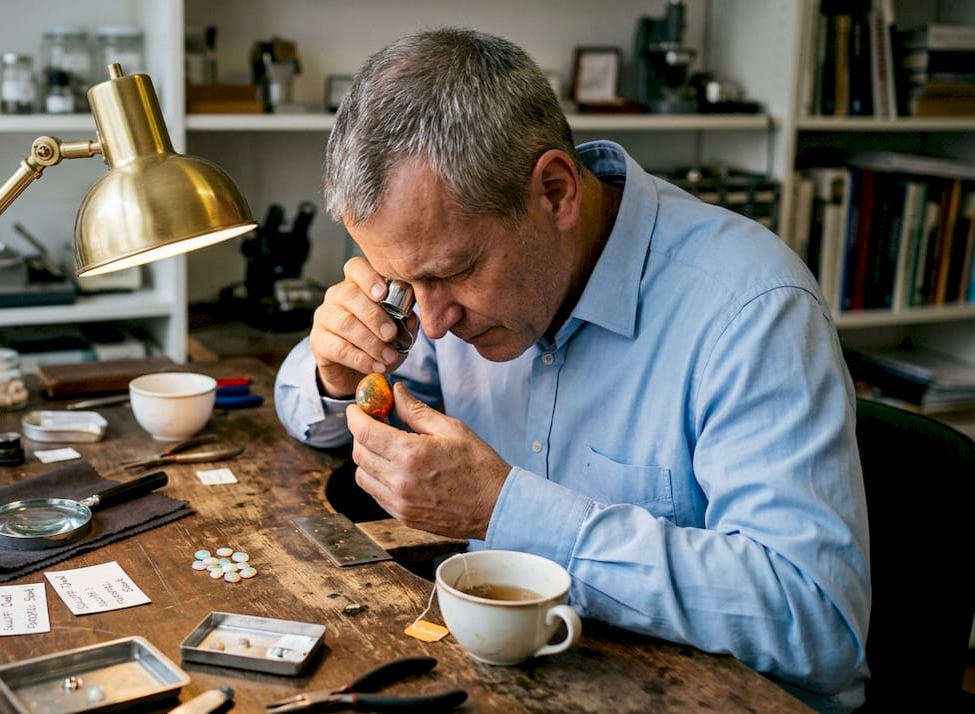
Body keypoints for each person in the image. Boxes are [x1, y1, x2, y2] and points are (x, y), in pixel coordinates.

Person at [273, 28, 870, 713]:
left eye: (453, 272)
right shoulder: (454, 296)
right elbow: (306, 408)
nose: (432, 324)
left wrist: (504, 509)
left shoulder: (751, 309)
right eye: (401, 279)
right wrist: (335, 373)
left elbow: (816, 621)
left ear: (555, 191)